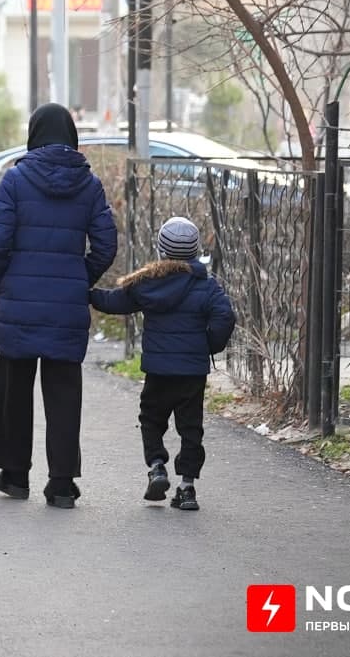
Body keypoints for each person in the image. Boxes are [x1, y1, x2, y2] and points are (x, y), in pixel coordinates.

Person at [0, 103, 117, 508]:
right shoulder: (89, 185)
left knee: (14, 390)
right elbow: (107, 244)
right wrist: (80, 279)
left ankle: (14, 475)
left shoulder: (15, 181)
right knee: (63, 395)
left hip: (19, 307)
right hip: (65, 309)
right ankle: (62, 483)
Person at [89, 217, 236, 511]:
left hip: (158, 369)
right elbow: (225, 317)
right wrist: (209, 346)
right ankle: (187, 488)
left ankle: (157, 465)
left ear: (161, 250)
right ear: (195, 251)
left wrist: (83, 292)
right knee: (190, 427)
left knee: (151, 419)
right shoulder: (206, 286)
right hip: (192, 373)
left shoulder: (146, 285)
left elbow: (112, 302)